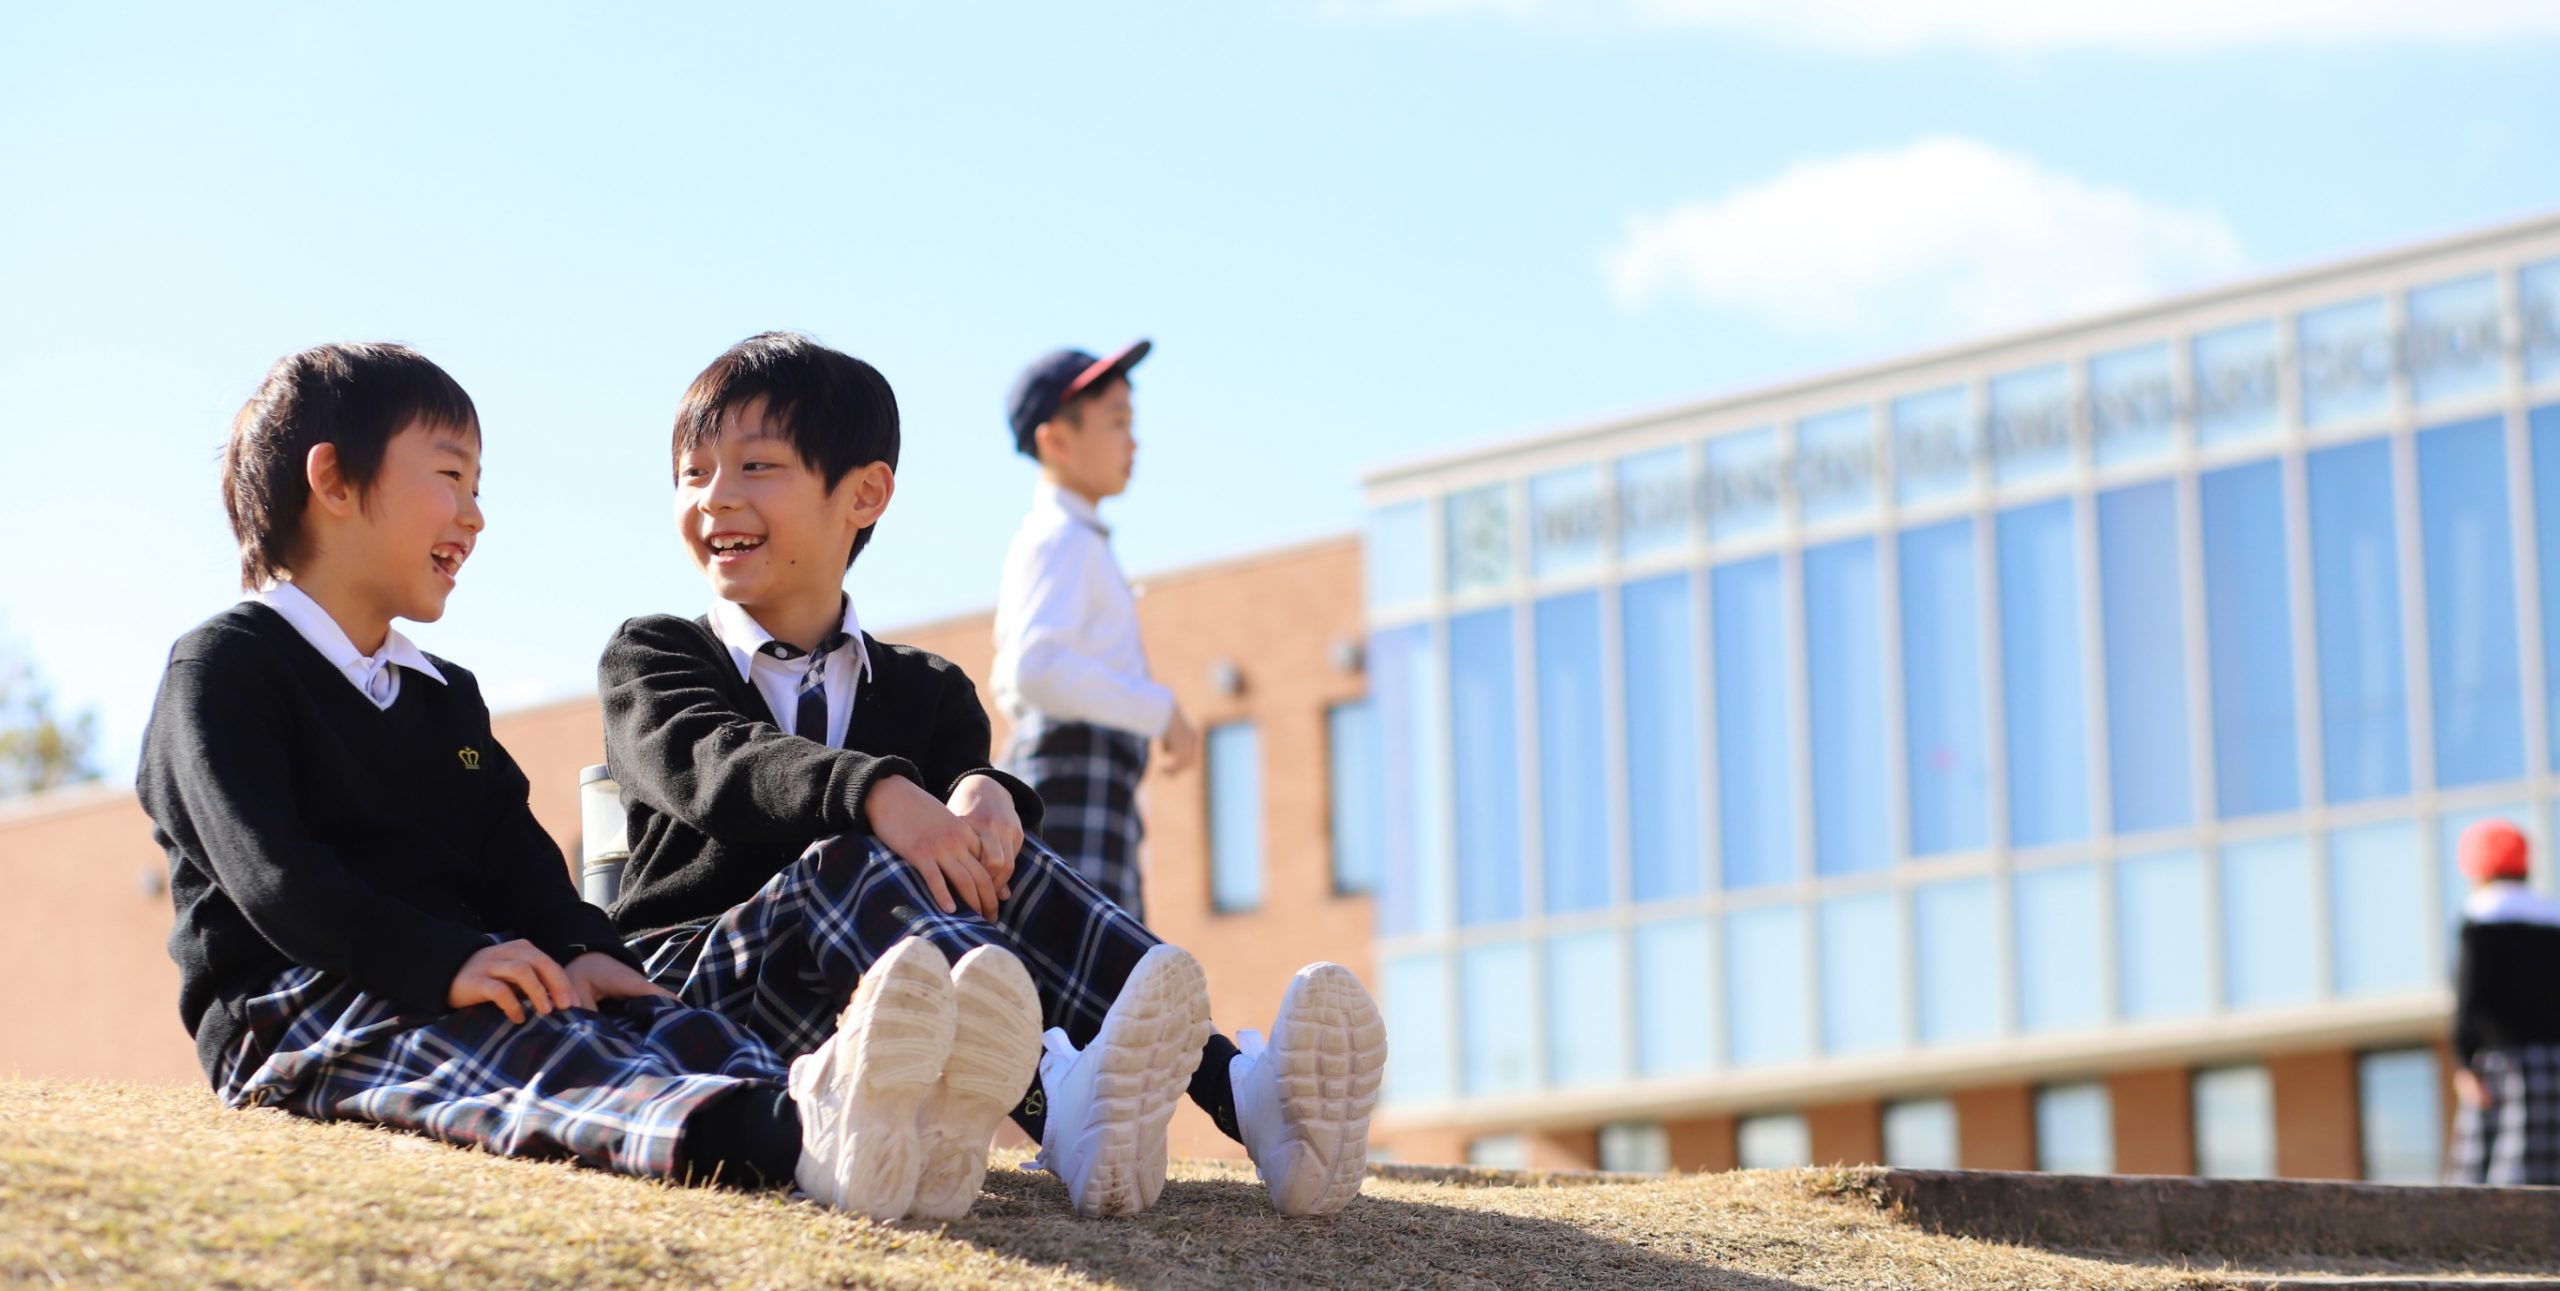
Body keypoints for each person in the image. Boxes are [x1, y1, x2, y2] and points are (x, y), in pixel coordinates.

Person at [134, 342, 1011, 1224]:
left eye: (478, 488)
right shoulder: (225, 666)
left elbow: (511, 857)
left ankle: (884, 1124)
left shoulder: (441, 695)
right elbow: (274, 878)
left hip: (459, 976)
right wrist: (449, 961)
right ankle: (797, 1137)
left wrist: (586, 950)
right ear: (333, 481)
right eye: (451, 477)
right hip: (300, 1001)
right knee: (538, 1062)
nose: (474, 517)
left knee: (656, 1024)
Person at [596, 332, 1385, 1218]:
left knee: (990, 859)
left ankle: (1251, 1098)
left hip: (881, 1023)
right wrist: (882, 795)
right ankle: (1061, 1095)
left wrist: (989, 795)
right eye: (693, 473)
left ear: (864, 493)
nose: (715, 498)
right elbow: (715, 765)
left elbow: (971, 807)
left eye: (754, 466)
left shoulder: (927, 689)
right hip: (691, 995)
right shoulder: (653, 654)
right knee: (852, 860)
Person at [990, 340, 1193, 921]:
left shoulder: (1074, 538)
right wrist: (1161, 711)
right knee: (1093, 992)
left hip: (1088, 783)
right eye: (1117, 422)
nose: (1134, 440)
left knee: (1108, 989)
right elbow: (1033, 669)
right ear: (1056, 440)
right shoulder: (1061, 538)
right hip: (1071, 779)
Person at [2446, 819, 2560, 1186]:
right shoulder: (2551, 917)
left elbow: (2470, 997)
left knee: (2497, 1176)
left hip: (2503, 1065)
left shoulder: (2481, 916)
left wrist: (2464, 1062)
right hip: (2554, 1060)